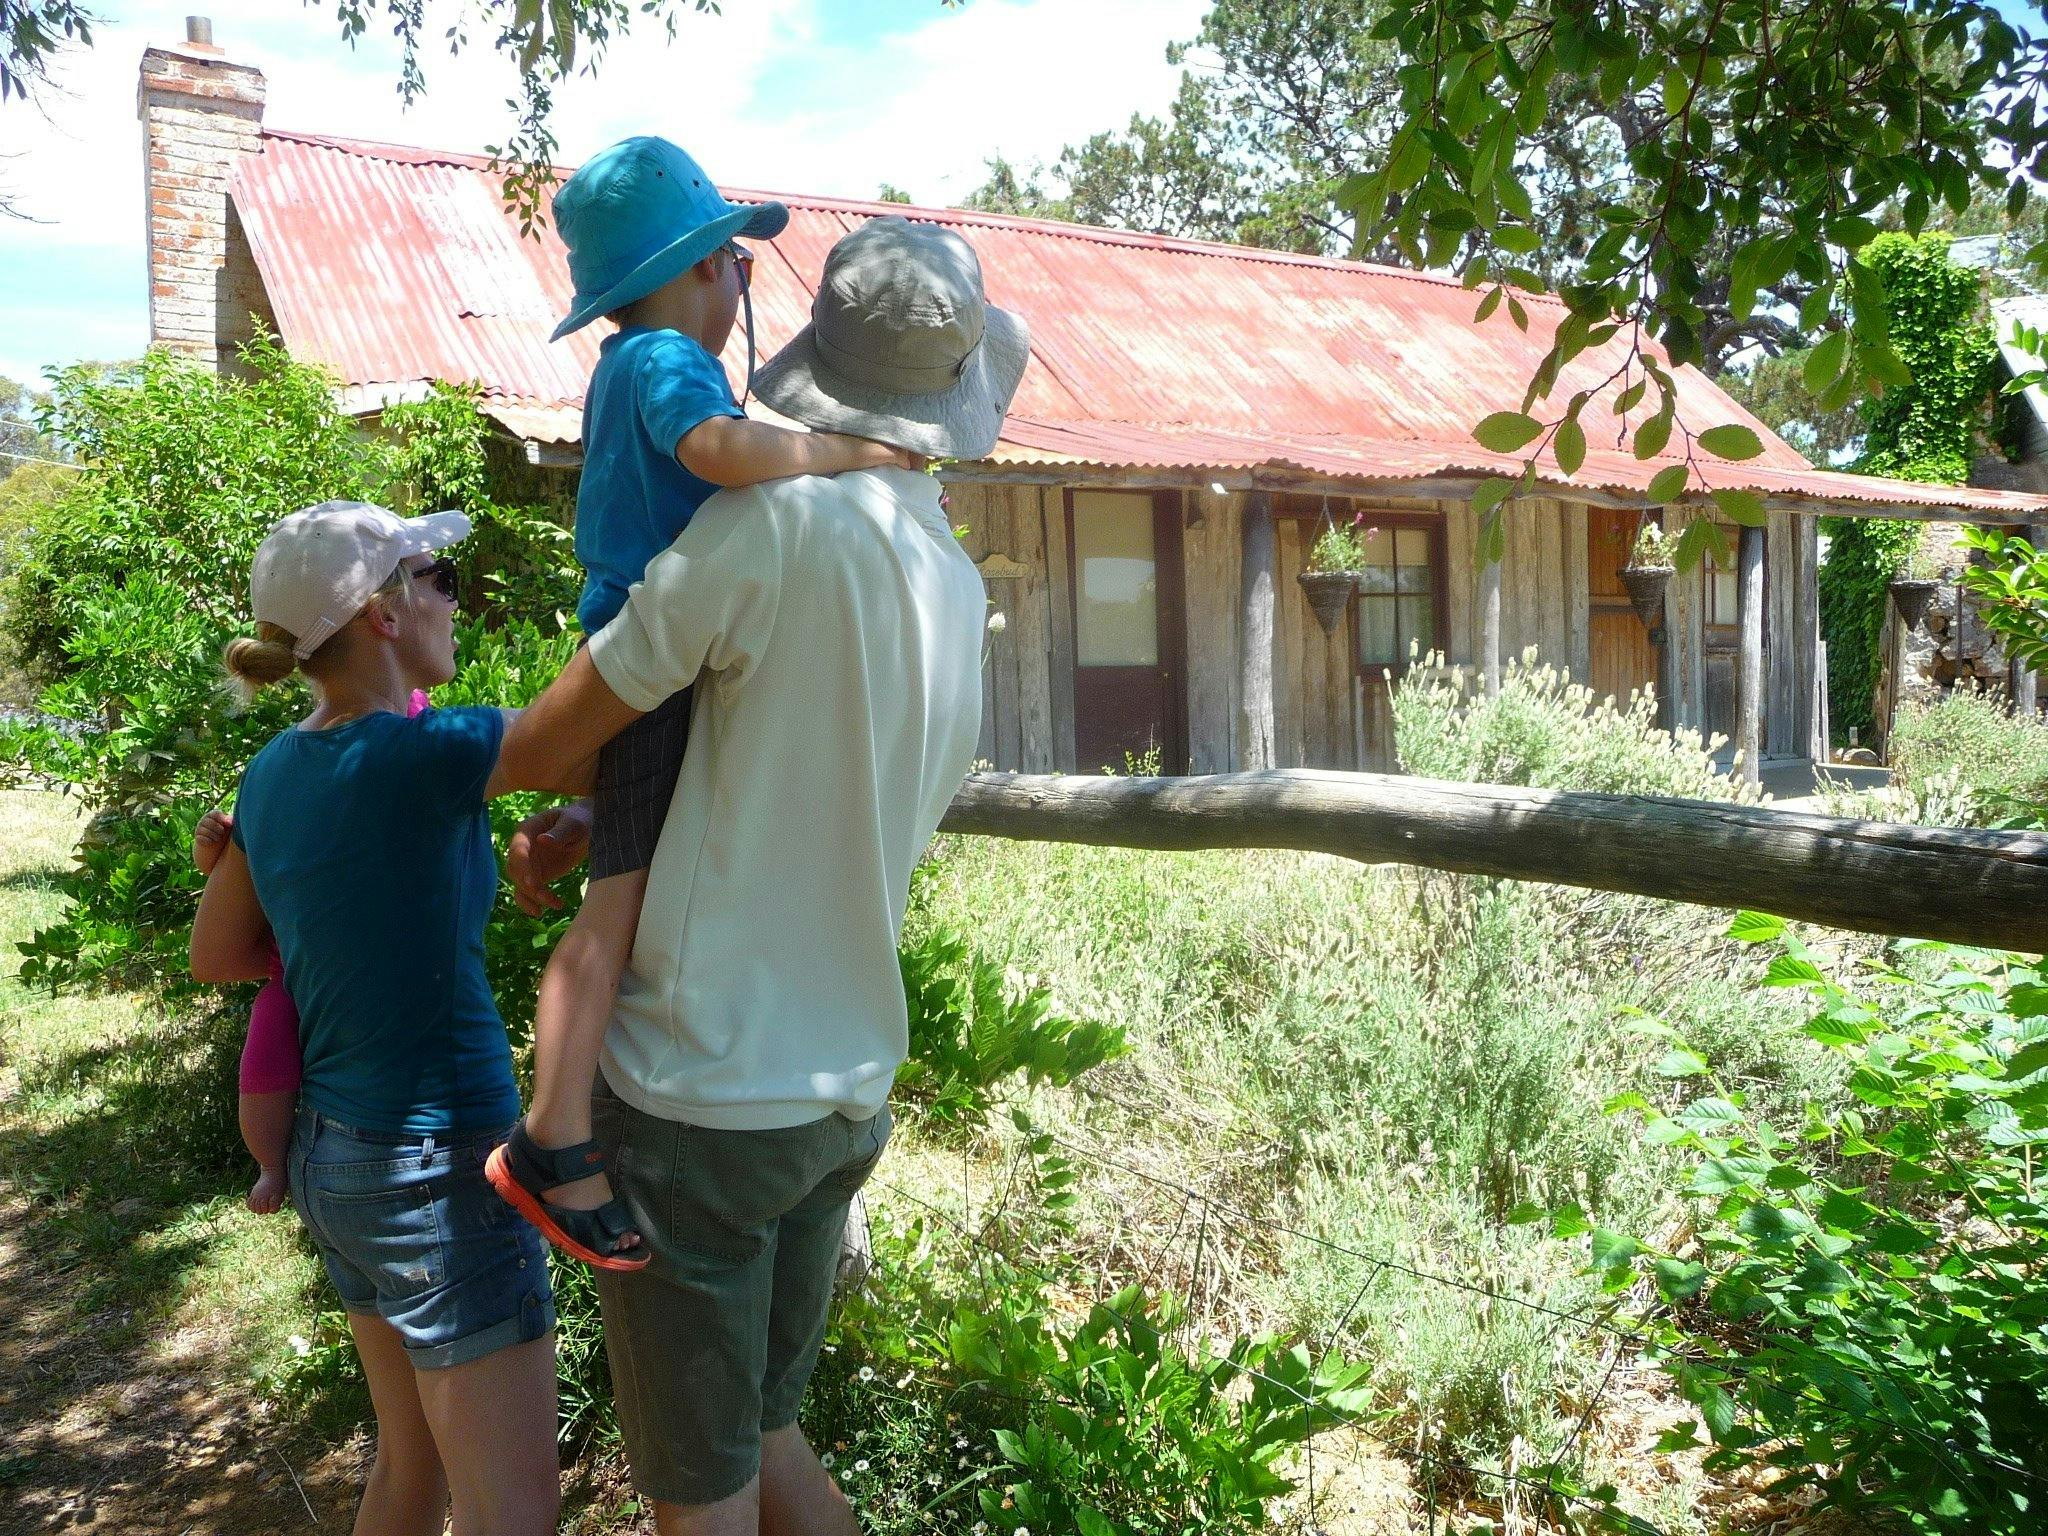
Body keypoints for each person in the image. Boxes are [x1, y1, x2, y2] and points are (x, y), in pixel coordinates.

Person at [494, 214, 1024, 1536]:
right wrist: (607, 825)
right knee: (763, 1436)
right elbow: (778, 785)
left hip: (697, 1099)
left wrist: (408, 763)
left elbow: (559, 732)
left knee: (704, 1492)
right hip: (840, 1097)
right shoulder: (951, 585)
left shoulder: (767, 526)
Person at [486, 135, 914, 1272]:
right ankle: (552, 1135)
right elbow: (718, 452)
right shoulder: (664, 357)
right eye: (731, 259)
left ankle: (555, 1123)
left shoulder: (630, 357)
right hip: (653, 650)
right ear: (694, 271)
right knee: (613, 915)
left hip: (656, 652)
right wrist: (840, 453)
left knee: (629, 868)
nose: (739, 283)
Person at [189, 502, 589, 1536]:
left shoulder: (275, 770)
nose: (454, 601)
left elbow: (218, 953)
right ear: (381, 611)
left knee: (409, 1472)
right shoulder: (428, 751)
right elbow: (599, 715)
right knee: (515, 1514)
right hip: (439, 1170)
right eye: (438, 579)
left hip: (339, 1159)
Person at [190, 690, 429, 1215]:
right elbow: (236, 878)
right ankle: (270, 1164)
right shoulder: (287, 786)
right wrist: (211, 848)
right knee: (264, 1067)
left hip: (358, 978)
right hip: (288, 974)